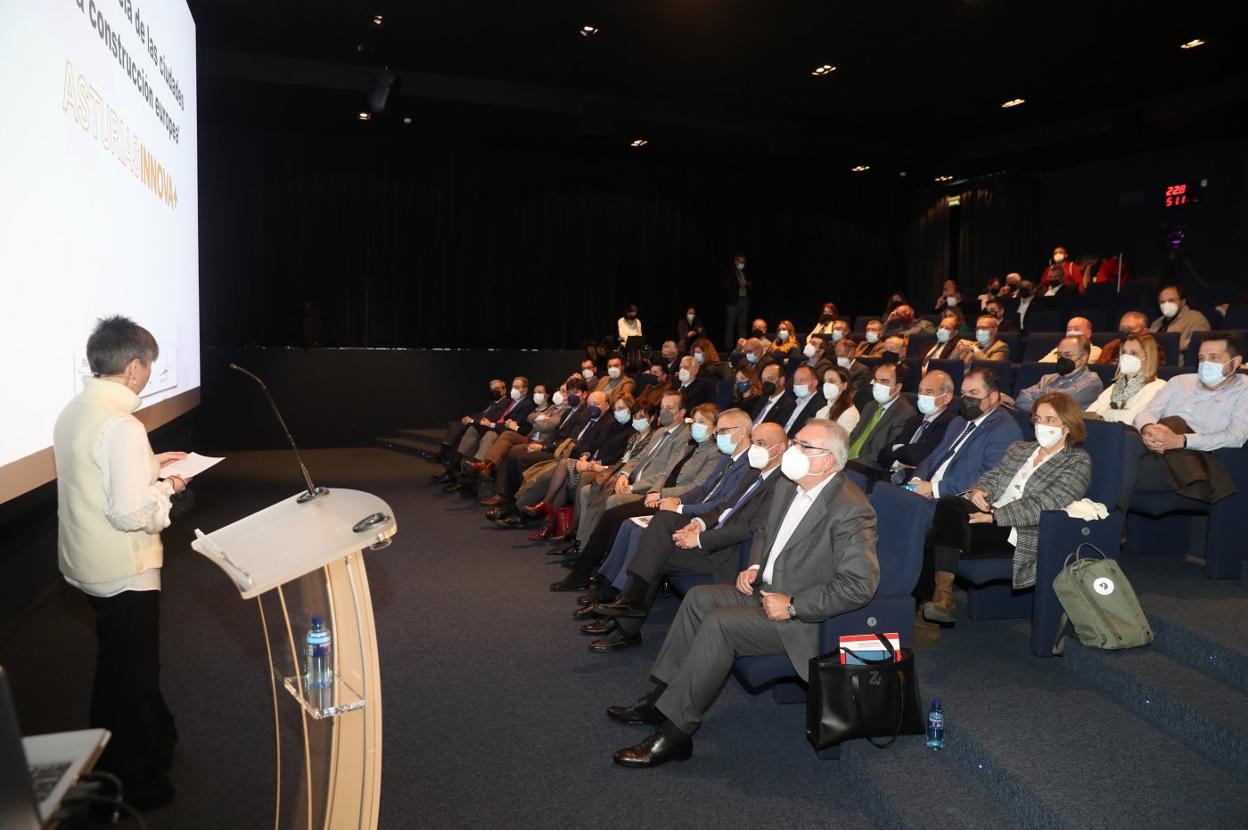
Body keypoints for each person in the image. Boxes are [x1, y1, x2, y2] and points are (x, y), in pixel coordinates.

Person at [606, 420, 879, 767]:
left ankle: (677, 732)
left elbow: (859, 586)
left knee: (720, 624)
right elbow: (764, 530)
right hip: (766, 589)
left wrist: (794, 606)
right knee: (698, 599)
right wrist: (755, 566)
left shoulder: (852, 509)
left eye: (804, 446)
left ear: (828, 461)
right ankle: (661, 700)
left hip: (804, 620)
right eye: (795, 442)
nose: (794, 450)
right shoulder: (787, 484)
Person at [53, 316, 186, 808]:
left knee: (119, 669)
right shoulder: (123, 425)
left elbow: (97, 475)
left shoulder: (75, 410)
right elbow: (132, 514)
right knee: (130, 677)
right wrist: (168, 487)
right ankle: (132, 782)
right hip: (124, 571)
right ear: (134, 367)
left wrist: (151, 465)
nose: (149, 374)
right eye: (149, 366)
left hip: (87, 562)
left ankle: (152, 743)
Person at [586, 422, 789, 649]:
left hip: (727, 554)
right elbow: (725, 507)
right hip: (712, 536)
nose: (754, 449)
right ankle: (629, 613)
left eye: (762, 444)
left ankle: (628, 615)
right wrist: (699, 524)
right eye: (754, 442)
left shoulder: (782, 483)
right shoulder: (754, 474)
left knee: (655, 549)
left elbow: (751, 527)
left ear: (780, 448)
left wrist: (701, 538)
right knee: (661, 526)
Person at [921, 393, 1091, 626]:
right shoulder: (1020, 448)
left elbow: (1047, 503)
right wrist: (978, 491)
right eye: (1038, 418)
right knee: (949, 505)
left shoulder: (1077, 461)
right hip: (987, 515)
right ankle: (940, 598)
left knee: (937, 532)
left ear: (1068, 425)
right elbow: (992, 476)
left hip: (1018, 530)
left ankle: (935, 603)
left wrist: (994, 517)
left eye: (1050, 420)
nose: (1041, 425)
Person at [1132, 332, 1248, 500]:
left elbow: (1236, 437)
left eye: (1214, 358)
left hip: (1199, 456)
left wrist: (1181, 440)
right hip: (1157, 449)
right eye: (1201, 358)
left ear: (1236, 362)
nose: (1206, 363)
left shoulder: (1244, 389)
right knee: (1124, 436)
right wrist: (1148, 429)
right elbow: (1147, 413)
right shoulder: (1179, 381)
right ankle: (1195, 483)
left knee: (1172, 423)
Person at [907, 368, 1023, 499]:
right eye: (963, 393)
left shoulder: (1005, 429)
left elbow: (988, 477)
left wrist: (934, 489)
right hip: (926, 490)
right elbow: (934, 456)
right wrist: (918, 480)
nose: (966, 399)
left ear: (993, 397)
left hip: (952, 501)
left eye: (973, 393)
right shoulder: (959, 421)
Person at [468, 381, 568, 479]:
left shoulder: (559, 409)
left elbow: (546, 425)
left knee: (510, 450)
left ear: (547, 395)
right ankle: (486, 464)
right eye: (535, 392)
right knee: (507, 434)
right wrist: (539, 418)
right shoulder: (549, 408)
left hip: (540, 441)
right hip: (528, 436)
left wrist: (538, 420)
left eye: (540, 392)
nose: (536, 395)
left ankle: (490, 469)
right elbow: (530, 418)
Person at [876, 369, 958, 482]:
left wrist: (896, 450)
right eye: (920, 391)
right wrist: (900, 465)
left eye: (929, 392)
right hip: (890, 479)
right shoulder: (913, 421)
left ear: (946, 398)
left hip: (916, 485)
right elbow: (883, 454)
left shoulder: (951, 424)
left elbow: (919, 456)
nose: (922, 396)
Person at [845, 362, 917, 468]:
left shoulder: (906, 413)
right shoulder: (870, 405)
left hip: (868, 468)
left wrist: (853, 463)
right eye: (876, 380)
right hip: (847, 461)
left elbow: (887, 453)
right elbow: (854, 435)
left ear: (898, 387)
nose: (878, 385)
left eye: (884, 382)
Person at [1086, 333, 1167, 424]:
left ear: (1148, 358)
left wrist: (1103, 415)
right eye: (1124, 352)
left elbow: (1131, 420)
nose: (1126, 357)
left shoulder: (1158, 387)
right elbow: (1089, 415)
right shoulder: (1116, 386)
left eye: (1133, 353)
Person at [1015, 335, 1103, 412]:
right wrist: (1047, 407)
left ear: (1083, 357)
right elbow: (1021, 400)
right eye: (1059, 355)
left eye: (1068, 355)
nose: (1062, 359)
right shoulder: (1047, 378)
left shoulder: (1092, 381)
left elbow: (1062, 403)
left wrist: (1041, 392)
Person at [1149, 284, 1211, 360]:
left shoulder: (1195, 318)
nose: (1166, 304)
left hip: (1178, 365)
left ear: (1183, 301)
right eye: (1162, 302)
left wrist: (1171, 345)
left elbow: (1199, 342)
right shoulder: (1156, 323)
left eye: (1171, 300)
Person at [1097, 312, 1165, 365]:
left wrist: (1131, 382)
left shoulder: (1152, 348)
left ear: (1144, 331)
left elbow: (1151, 372)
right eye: (1122, 329)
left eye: (1131, 329)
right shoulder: (1112, 346)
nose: (1126, 333)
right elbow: (1100, 369)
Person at [781, 365, 826, 438]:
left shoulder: (820, 407)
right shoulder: (791, 403)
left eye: (802, 380)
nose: (797, 384)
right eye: (795, 381)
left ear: (814, 383)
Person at [814, 364, 860, 433]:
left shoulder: (849, 414)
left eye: (831, 381)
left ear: (844, 385)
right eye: (825, 381)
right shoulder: (823, 410)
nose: (826, 385)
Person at [750, 363, 792, 428]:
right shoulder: (763, 398)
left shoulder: (787, 405)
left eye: (770, 379)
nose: (766, 384)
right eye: (763, 380)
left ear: (782, 380)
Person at [724, 253, 750, 348]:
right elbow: (727, 286)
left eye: (744, 262)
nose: (742, 264)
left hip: (744, 300)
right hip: (733, 302)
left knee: (742, 326)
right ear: (735, 261)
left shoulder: (744, 272)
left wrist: (746, 284)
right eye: (740, 262)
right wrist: (739, 284)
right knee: (731, 326)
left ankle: (744, 347)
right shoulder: (730, 272)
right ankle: (729, 348)